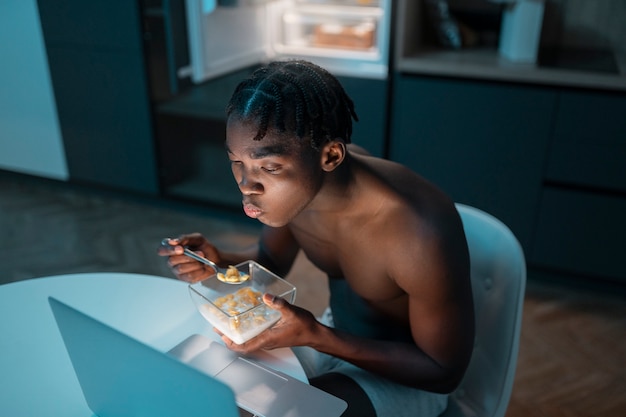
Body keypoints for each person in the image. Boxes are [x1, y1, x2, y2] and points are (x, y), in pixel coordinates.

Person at [158, 60, 474, 417]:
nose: (246, 186)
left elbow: (443, 371)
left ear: (331, 155)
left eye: (269, 167)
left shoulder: (420, 232)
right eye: (237, 162)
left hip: (409, 374)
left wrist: (315, 334)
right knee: (213, 393)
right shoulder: (301, 190)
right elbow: (269, 258)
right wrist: (219, 261)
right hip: (331, 336)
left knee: (288, 412)